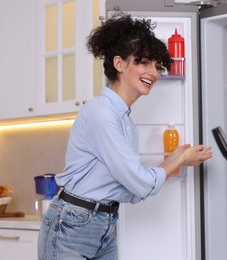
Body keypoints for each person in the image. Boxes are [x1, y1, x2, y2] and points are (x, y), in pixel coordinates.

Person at [37, 14, 212, 260]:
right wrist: (177, 159)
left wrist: (164, 166)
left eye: (157, 66)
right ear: (119, 64)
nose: (153, 72)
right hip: (72, 225)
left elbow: (134, 190)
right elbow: (139, 183)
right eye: (143, 62)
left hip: (104, 224)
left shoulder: (126, 122)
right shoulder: (102, 115)